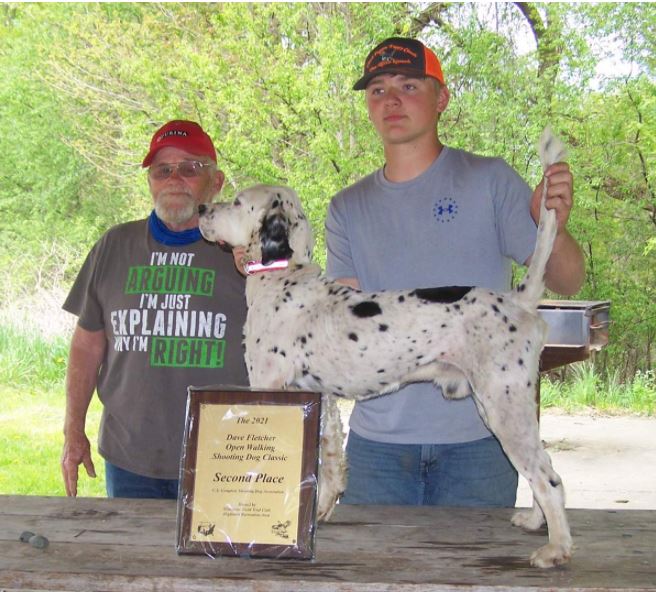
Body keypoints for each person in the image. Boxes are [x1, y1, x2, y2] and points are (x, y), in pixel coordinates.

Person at [325, 37, 585, 507]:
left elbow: (568, 280)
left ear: (441, 97)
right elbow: (344, 328)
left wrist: (556, 226)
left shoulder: (489, 180)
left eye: (408, 84)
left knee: (480, 579)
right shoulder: (346, 207)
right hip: (377, 448)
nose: (392, 100)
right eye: (378, 90)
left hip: (480, 444)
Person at [61, 120, 249, 499]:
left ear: (216, 181)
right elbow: (87, 345)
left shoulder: (247, 251)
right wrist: (73, 431)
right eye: (162, 170)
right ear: (150, 182)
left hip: (225, 456)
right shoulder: (115, 246)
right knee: (134, 558)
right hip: (131, 458)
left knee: (221, 561)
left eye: (190, 168)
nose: (174, 179)